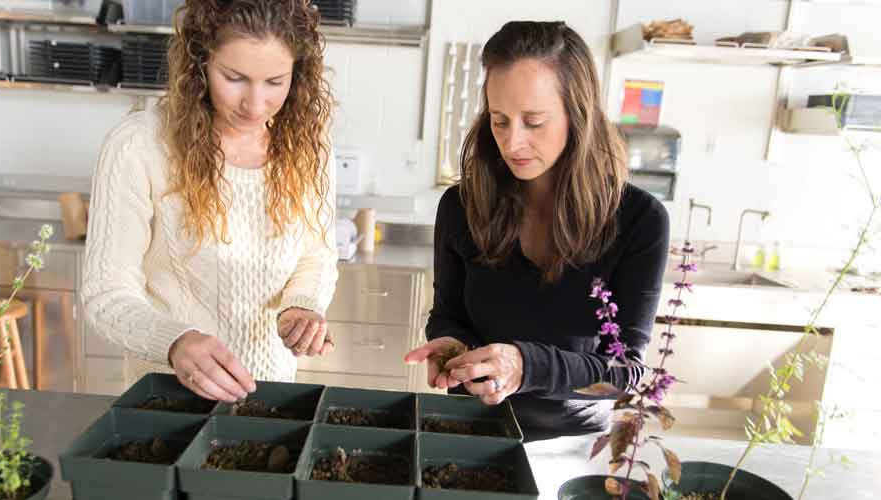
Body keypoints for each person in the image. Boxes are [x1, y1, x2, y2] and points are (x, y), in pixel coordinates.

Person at [404, 21, 670, 442]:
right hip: (465, 430)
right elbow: (449, 314)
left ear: (576, 115)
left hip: (570, 446)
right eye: (499, 121)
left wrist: (526, 367)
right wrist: (451, 344)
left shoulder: (639, 221)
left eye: (534, 121)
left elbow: (624, 372)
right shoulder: (461, 206)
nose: (512, 143)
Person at [82, 0, 338, 403]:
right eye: (234, 78)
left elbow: (316, 254)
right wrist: (175, 342)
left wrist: (301, 307)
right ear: (200, 64)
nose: (255, 105)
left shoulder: (307, 146)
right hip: (167, 400)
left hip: (271, 398)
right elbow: (106, 293)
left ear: (298, 73)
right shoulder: (139, 144)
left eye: (275, 82)